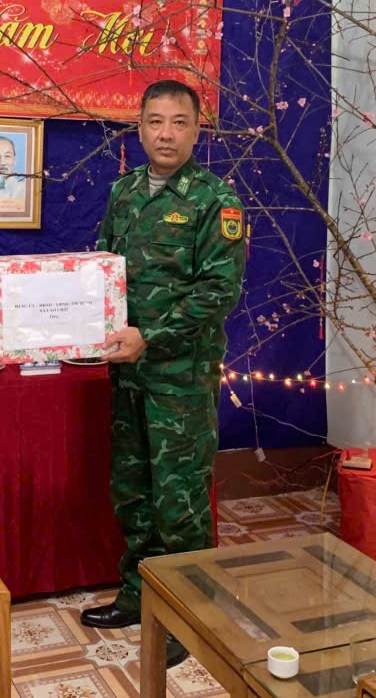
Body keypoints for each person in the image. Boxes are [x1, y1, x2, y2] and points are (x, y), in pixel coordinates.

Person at [80, 81, 246, 668]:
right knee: (134, 492)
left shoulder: (215, 200)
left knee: (179, 501)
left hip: (180, 376)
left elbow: (218, 291)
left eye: (179, 122)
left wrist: (150, 336)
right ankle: (138, 594)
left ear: (197, 129)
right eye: (155, 121)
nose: (166, 134)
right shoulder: (124, 192)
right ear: (140, 127)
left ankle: (189, 614)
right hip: (127, 374)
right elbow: (103, 271)